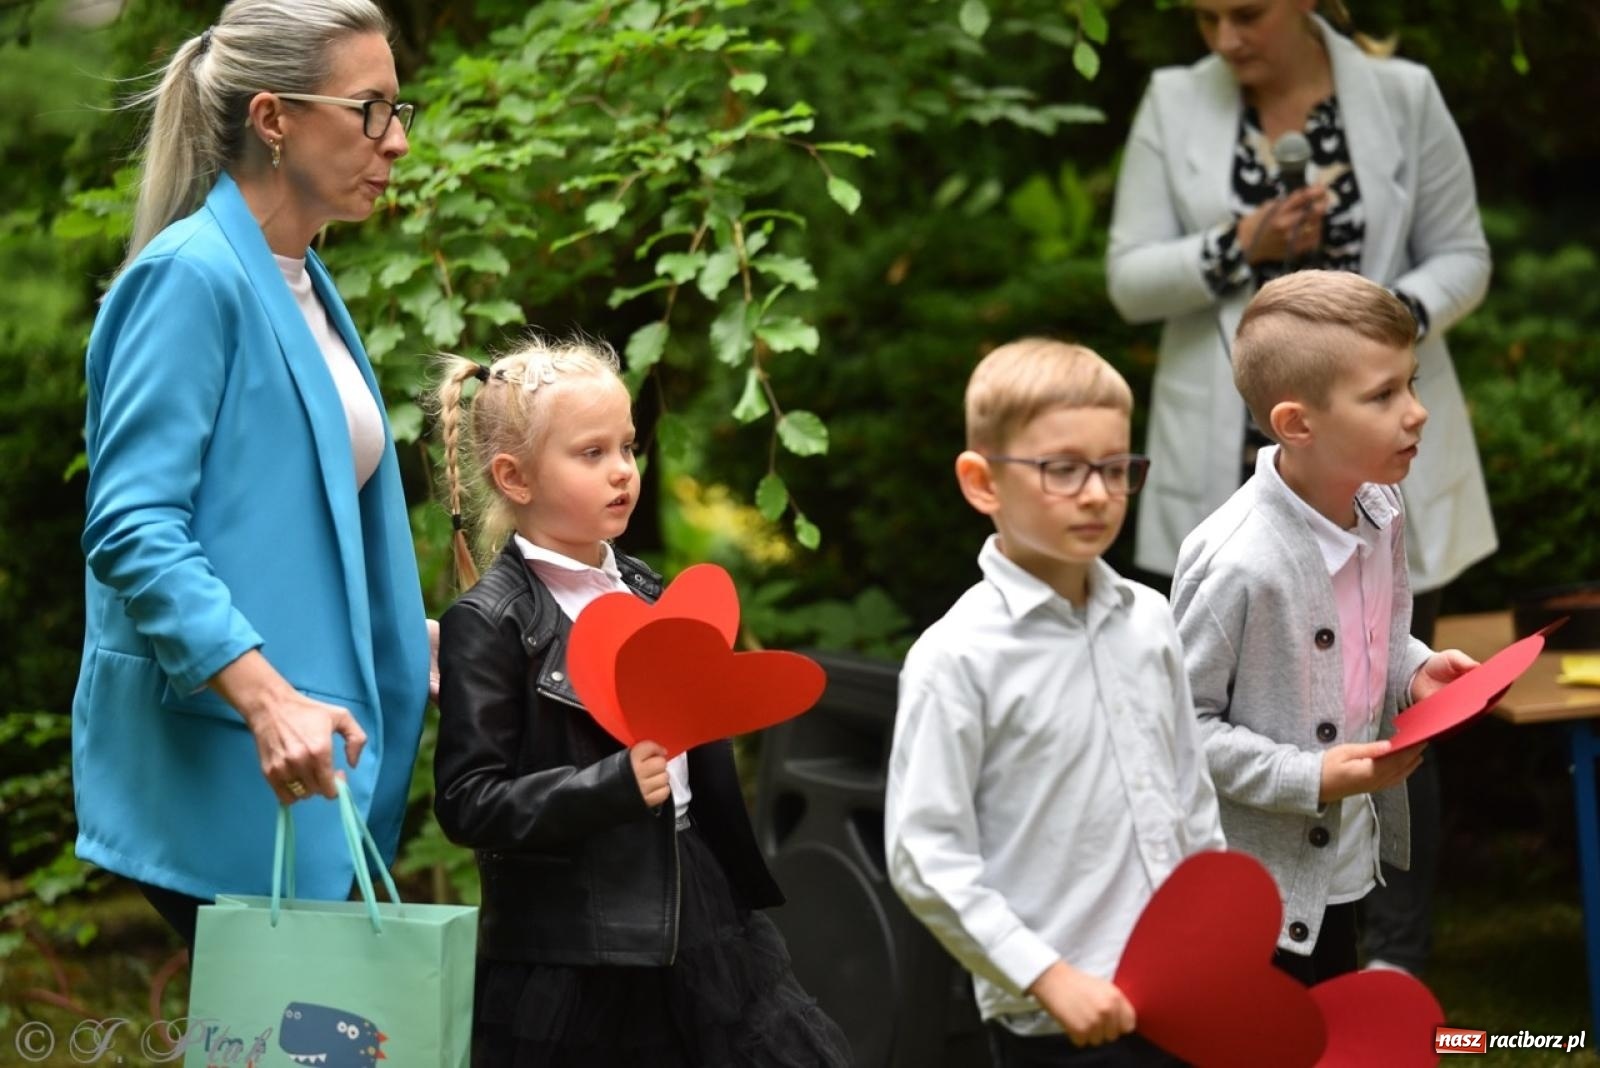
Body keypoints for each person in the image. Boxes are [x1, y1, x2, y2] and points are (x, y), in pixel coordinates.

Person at [1105, 0, 1494, 978]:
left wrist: (1363, 343)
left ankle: (1389, 968)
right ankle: (1250, 956)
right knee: (1257, 702)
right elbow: (1127, 278)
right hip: (1233, 462)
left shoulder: (1400, 96)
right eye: (1203, 19)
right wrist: (1241, 244)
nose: (1225, 38)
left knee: (1382, 710)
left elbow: (1465, 255)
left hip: (1360, 461)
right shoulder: (1169, 103)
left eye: (1245, 12)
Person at [72, 0, 429, 950]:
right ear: (273, 119)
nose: (395, 142)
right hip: (235, 767)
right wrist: (269, 700)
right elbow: (133, 527)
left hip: (320, 770)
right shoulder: (192, 277)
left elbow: (281, 526)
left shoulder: (299, 277)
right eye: (370, 110)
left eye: (400, 110)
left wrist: (409, 635)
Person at [430, 336, 851, 1068]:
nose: (623, 471)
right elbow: (469, 801)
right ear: (515, 477)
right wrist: (608, 786)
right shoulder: (494, 622)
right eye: (590, 454)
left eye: (626, 447)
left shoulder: (647, 588)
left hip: (702, 906)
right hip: (581, 942)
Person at [885, 338, 1224, 1067]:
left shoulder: (1151, 618)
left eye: (1114, 468)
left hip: (1181, 992)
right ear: (982, 483)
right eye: (1063, 470)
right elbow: (925, 855)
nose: (1097, 493)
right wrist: (1048, 976)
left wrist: (1216, 937)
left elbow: (1189, 795)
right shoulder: (956, 658)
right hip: (1060, 1019)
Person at [1168, 271, 1477, 986]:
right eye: (1382, 396)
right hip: (1248, 890)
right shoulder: (1236, 563)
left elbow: (1370, 638)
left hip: (1336, 864)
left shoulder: (1380, 507)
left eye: (1411, 383)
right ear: (1296, 424)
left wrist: (1414, 671)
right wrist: (1310, 776)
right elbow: (1181, 730)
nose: (1418, 413)